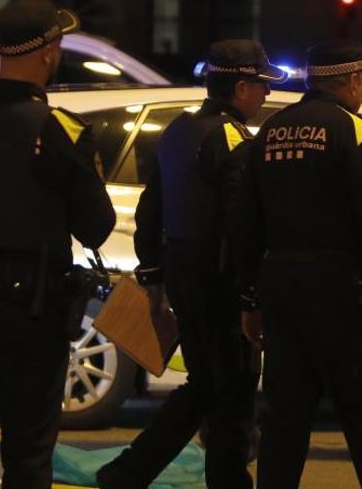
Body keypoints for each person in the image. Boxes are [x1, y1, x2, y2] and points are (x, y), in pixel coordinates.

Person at [95, 40, 287, 489]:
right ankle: (209, 477)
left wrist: (154, 269)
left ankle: (128, 474)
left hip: (184, 271)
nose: (265, 96)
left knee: (208, 384)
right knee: (235, 382)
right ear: (240, 87)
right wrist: (250, 292)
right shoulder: (231, 138)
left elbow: (151, 204)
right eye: (261, 86)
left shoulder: (181, 128)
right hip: (219, 279)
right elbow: (242, 222)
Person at [235, 40, 362, 489]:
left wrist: (249, 298)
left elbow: (246, 224)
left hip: (280, 291)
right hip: (339, 296)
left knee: (284, 422)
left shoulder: (271, 131)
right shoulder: (351, 130)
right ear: (354, 80)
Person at [0, 0, 115, 487]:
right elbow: (96, 226)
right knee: (28, 447)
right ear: (49, 51)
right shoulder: (58, 129)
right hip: (30, 305)